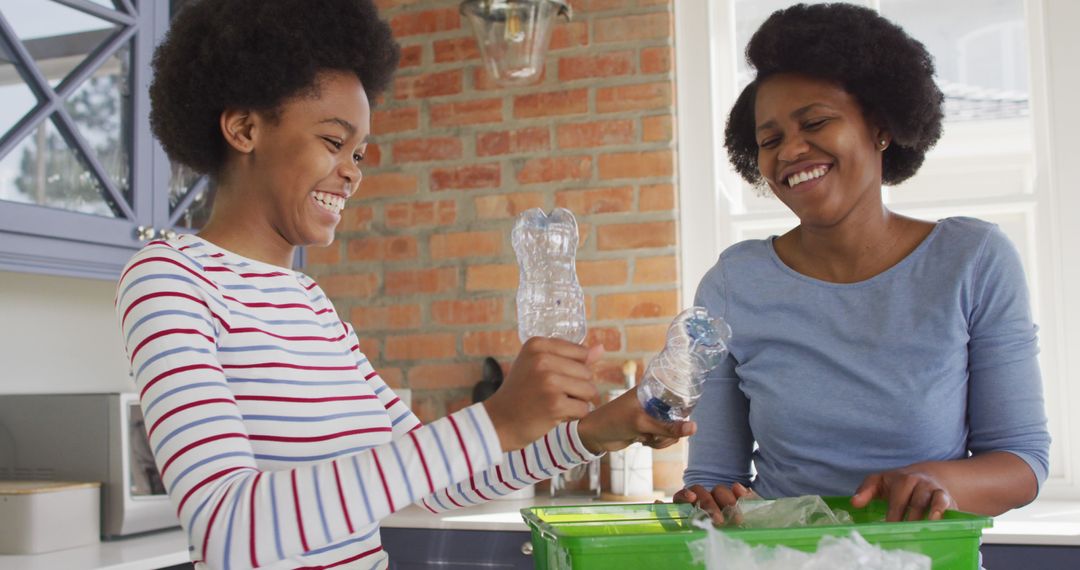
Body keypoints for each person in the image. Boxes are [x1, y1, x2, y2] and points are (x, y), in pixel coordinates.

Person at [116, 1, 693, 568]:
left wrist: (596, 431)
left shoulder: (311, 304)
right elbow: (229, 527)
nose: (353, 172)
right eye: (332, 141)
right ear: (244, 128)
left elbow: (443, 484)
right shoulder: (170, 279)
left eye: (359, 152)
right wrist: (496, 419)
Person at [676, 2, 1050, 524]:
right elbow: (713, 480)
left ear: (880, 126)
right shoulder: (733, 285)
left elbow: (1023, 461)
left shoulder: (972, 261)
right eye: (770, 140)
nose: (791, 151)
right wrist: (708, 501)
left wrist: (937, 480)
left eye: (816, 122)